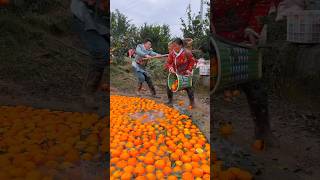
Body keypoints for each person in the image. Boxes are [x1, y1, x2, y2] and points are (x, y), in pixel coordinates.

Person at [210, 0, 280, 147]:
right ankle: (207, 126)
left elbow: (262, 3)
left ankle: (263, 130)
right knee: (211, 80)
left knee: (254, 81)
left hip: (246, 36)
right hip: (217, 38)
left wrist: (253, 27)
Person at [71, 0, 109, 109]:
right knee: (102, 52)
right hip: (85, 16)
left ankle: (91, 91)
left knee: (105, 55)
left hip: (102, 22)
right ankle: (87, 94)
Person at [165, 38, 197, 107]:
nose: (174, 47)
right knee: (169, 85)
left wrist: (189, 69)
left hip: (186, 73)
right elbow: (168, 63)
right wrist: (170, 68)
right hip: (175, 73)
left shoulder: (187, 52)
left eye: (175, 46)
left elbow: (192, 61)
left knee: (189, 87)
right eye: (173, 46)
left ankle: (192, 103)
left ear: (181, 45)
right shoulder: (172, 54)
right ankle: (170, 100)